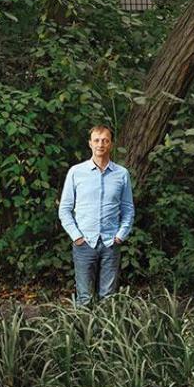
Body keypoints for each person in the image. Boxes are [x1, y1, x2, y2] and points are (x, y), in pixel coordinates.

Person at [58, 125, 135, 306]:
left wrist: (120, 235)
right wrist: (77, 237)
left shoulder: (121, 174)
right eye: (97, 140)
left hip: (111, 243)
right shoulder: (76, 172)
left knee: (108, 298)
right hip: (84, 242)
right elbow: (65, 209)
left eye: (105, 140)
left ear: (111, 144)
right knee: (84, 297)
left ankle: (107, 326)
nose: (101, 144)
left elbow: (128, 209)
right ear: (90, 144)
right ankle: (83, 325)